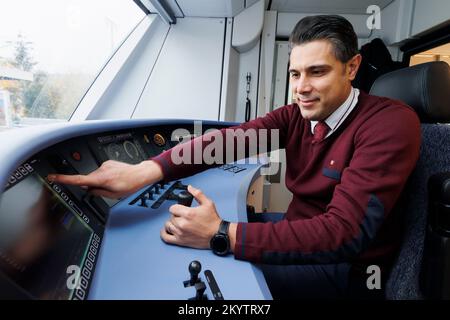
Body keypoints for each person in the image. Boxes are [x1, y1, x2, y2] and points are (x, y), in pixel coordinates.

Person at [47, 15, 421, 299]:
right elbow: (230, 142)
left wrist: (222, 233)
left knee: (205, 278)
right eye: (294, 74)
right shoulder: (298, 116)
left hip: (346, 268)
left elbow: (344, 234)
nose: (301, 88)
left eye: (317, 72)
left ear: (351, 68)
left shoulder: (389, 124)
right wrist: (147, 170)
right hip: (304, 230)